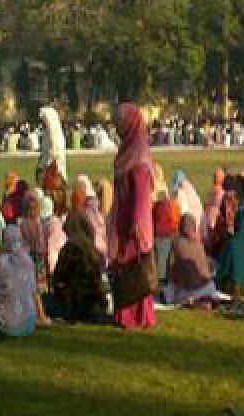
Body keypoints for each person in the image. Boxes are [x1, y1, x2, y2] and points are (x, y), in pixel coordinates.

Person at [108, 103, 157, 330]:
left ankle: (134, 316)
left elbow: (141, 193)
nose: (117, 128)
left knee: (133, 268)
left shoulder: (137, 155)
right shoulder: (129, 150)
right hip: (123, 217)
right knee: (125, 266)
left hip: (133, 221)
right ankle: (128, 314)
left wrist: (136, 223)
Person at [51, 211, 106, 321]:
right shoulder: (94, 250)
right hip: (94, 298)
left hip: (75, 298)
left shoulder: (70, 248)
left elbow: (59, 274)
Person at [165, 213, 219, 306]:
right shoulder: (199, 242)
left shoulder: (176, 242)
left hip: (189, 292)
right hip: (209, 288)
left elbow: (170, 270)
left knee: (170, 287)